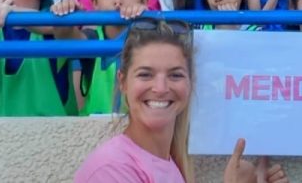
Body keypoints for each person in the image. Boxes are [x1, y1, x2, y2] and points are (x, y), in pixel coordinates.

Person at [74, 18, 288, 183]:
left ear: (190, 82)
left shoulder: (168, 161)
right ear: (123, 82)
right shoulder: (112, 169)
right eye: (145, 74)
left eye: (175, 75)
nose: (160, 88)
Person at [52, 0, 148, 115]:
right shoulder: (93, 37)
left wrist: (146, 17)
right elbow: (65, 36)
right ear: (94, 3)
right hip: (97, 132)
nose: (118, 1)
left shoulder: (152, 36)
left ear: (144, 1)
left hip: (141, 128)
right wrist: (65, 12)